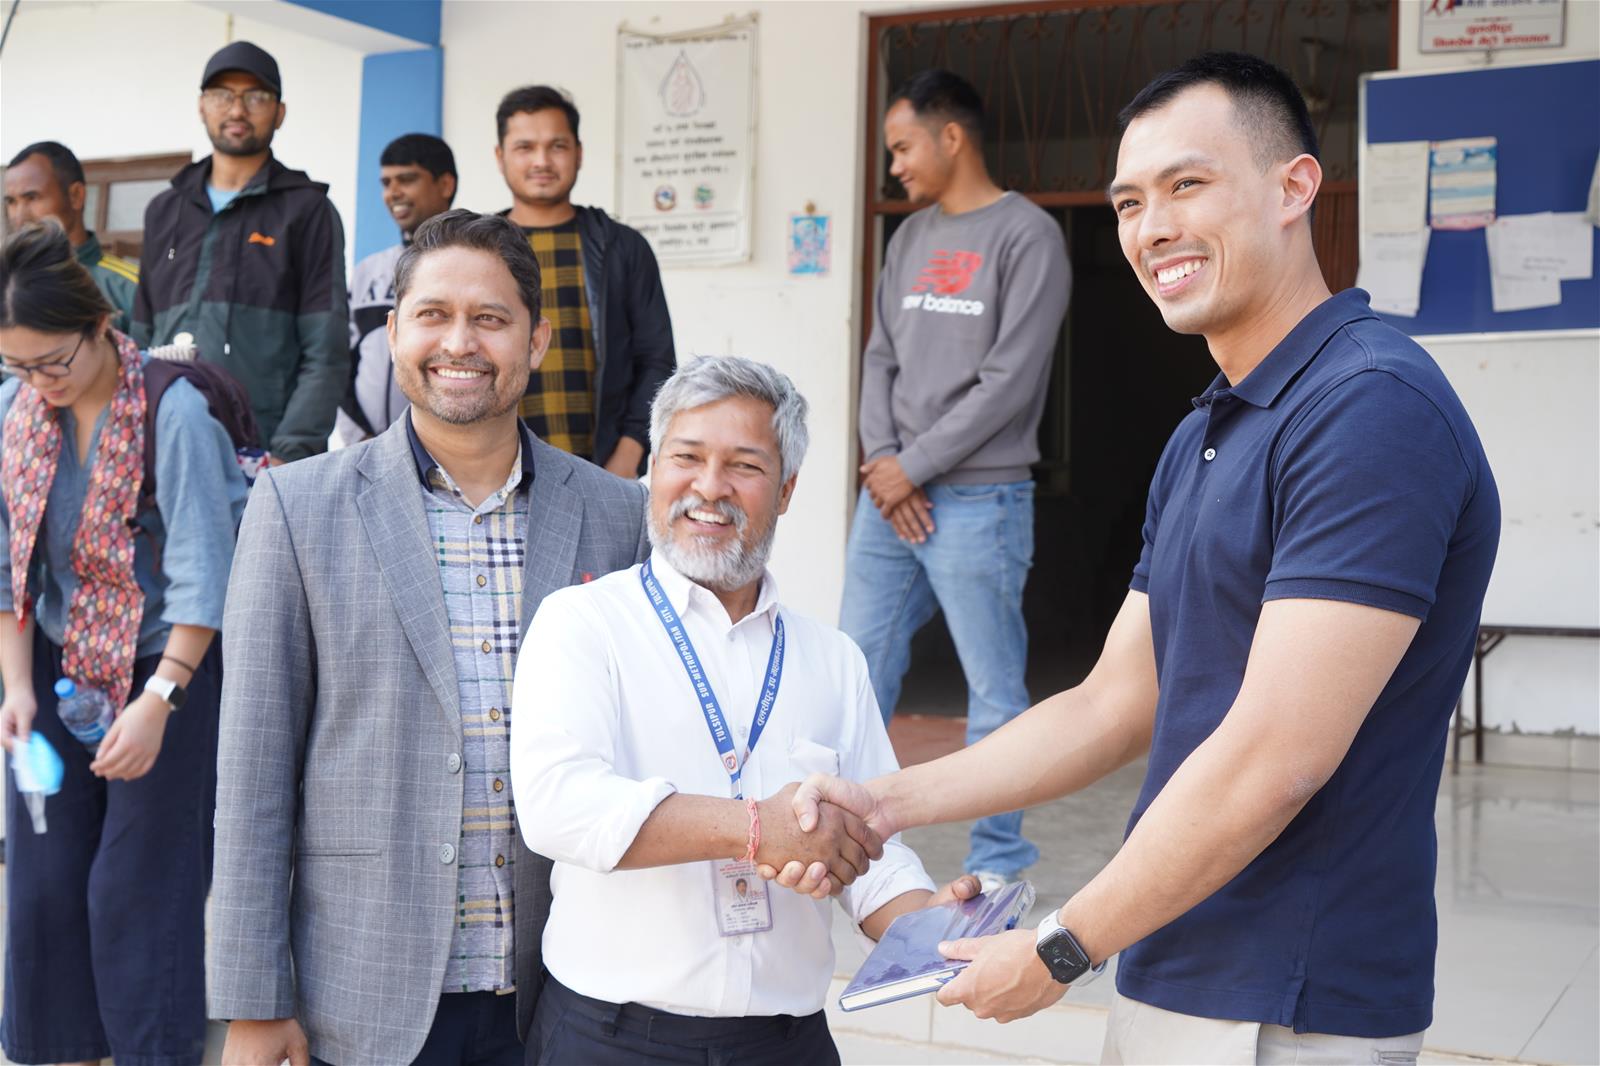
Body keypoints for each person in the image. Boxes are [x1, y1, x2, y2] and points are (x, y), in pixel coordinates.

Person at [780, 52, 1499, 1065]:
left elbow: (1274, 759)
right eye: (1127, 201)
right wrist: (882, 800)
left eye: (1186, 185)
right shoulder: (1212, 427)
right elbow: (1114, 700)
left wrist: (1065, 944)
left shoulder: (1369, 409)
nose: (1150, 227)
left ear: (1294, 188)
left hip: (1294, 994)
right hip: (1179, 951)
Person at [209, 210, 651, 1066]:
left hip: (566, 993)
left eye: (490, 319)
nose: (461, 343)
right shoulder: (297, 508)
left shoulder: (616, 515)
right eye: (433, 315)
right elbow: (253, 771)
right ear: (393, 331)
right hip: (363, 993)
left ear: (537, 339)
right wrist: (253, 1002)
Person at [511, 355, 979, 1065]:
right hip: (609, 1041)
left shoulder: (833, 658)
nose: (708, 487)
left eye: (745, 466)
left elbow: (870, 848)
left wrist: (939, 929)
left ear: (786, 489)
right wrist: (758, 828)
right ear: (653, 472)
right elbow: (557, 807)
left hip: (786, 1043)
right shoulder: (583, 623)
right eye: (686, 458)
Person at [0, 222, 247, 1066]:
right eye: (19, 366)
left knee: (137, 887)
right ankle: (67, 1052)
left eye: (52, 363)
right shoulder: (18, 409)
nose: (39, 383)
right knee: (42, 885)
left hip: (164, 656)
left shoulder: (171, 416)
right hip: (57, 656)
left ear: (100, 326)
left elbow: (203, 579)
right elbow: (7, 562)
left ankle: (152, 1051)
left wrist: (159, 701)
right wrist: (16, 689)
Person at [839, 69, 1071, 893]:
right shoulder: (908, 239)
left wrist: (916, 465)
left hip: (980, 496)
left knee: (993, 688)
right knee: (854, 668)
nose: (895, 165)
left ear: (950, 137)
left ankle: (997, 862)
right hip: (890, 493)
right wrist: (881, 463)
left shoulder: (1028, 236)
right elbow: (880, 356)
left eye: (902, 146)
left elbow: (1010, 379)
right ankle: (842, 836)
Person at [132, 40, 348, 464]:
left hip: (261, 447)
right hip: (161, 438)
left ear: (279, 113)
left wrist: (291, 452)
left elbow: (326, 349)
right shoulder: (165, 210)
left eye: (255, 97)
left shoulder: (307, 210)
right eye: (222, 96)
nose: (236, 110)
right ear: (201, 106)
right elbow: (140, 334)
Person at [494, 85, 675, 476]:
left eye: (556, 146)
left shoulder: (621, 247)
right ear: (500, 156)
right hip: (493, 472)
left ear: (578, 153)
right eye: (525, 147)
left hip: (602, 471)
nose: (541, 161)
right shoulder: (478, 250)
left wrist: (626, 459)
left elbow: (657, 361)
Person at [336, 133, 459, 446]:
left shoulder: (470, 268)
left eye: (406, 179)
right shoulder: (369, 270)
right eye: (386, 182)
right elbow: (340, 361)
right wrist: (358, 435)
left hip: (444, 449)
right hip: (367, 447)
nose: (393, 192)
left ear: (445, 185)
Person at [4, 141, 139, 331]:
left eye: (32, 198)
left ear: (76, 195)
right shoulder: (6, 285)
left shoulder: (131, 288)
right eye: (11, 202)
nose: (19, 216)